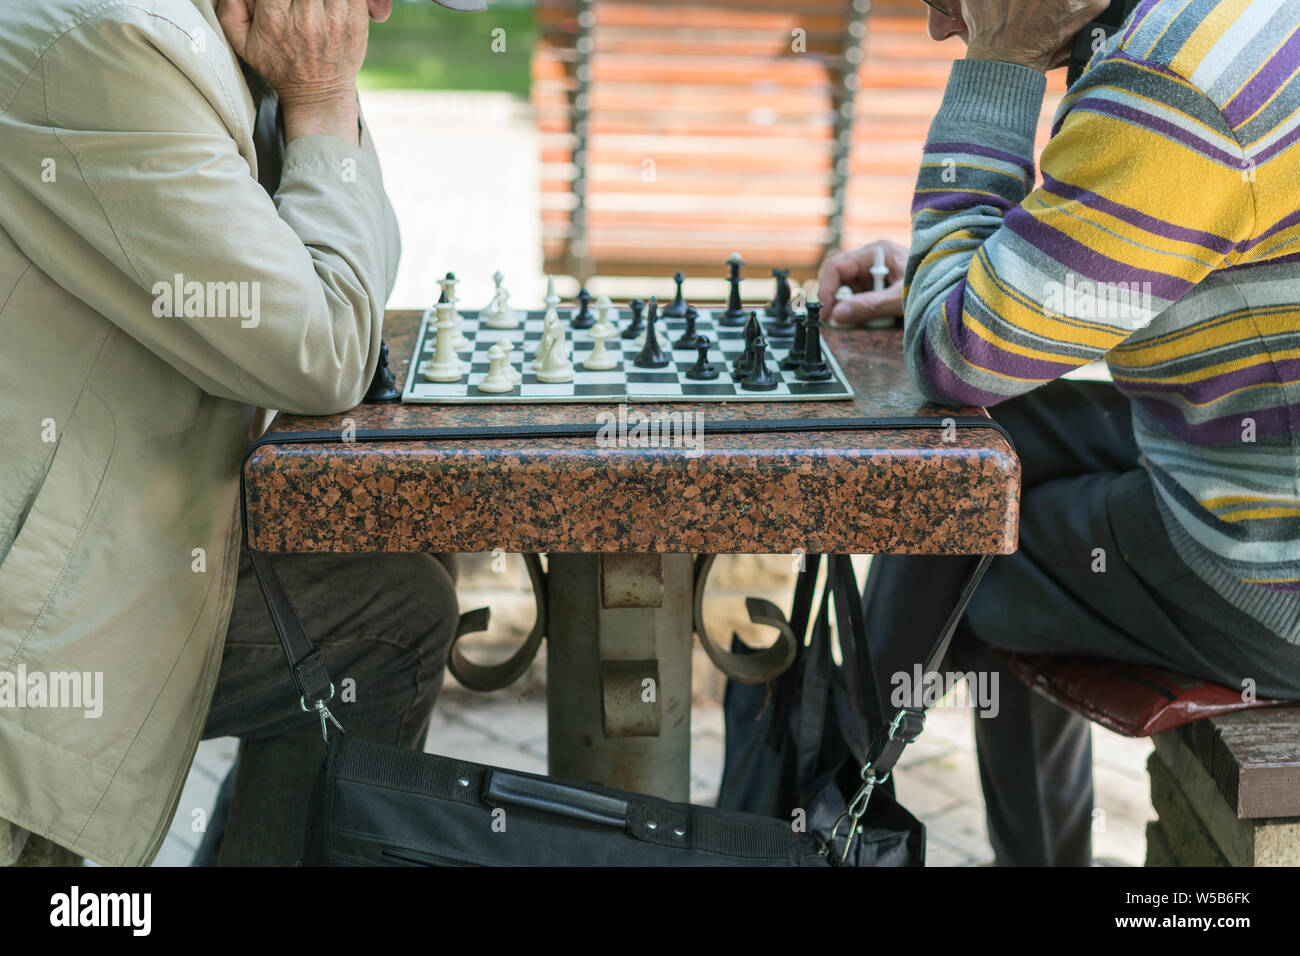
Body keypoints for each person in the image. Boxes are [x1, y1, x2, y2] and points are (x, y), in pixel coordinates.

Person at [0, 0, 482, 867]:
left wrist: (311, 96)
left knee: (398, 582)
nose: (375, 13)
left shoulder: (195, 37)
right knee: (389, 621)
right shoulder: (122, 45)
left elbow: (329, 306)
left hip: (88, 525)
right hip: (27, 620)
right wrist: (326, 100)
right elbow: (324, 345)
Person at [821, 0, 1300, 865]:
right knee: (995, 451)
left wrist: (996, 69)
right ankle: (823, 783)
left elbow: (956, 358)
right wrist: (993, 274)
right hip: (1263, 447)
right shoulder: (1218, 24)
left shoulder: (1167, 83)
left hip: (1278, 576)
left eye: (948, 0)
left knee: (966, 543)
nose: (940, 28)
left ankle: (815, 802)